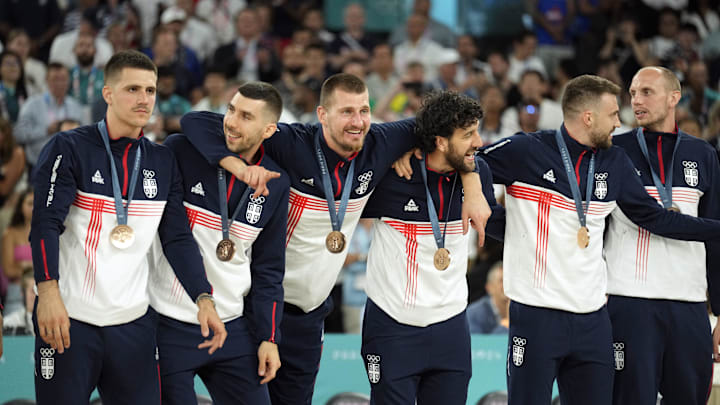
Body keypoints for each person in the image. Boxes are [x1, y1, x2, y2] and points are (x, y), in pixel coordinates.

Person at [180, 73, 492, 404]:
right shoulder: (292, 142)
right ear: (322, 115)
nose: (357, 121)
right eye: (346, 112)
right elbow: (196, 122)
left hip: (311, 314)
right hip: (258, 304)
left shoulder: (383, 142)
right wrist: (238, 168)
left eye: (364, 110)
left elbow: (447, 132)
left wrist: (471, 179)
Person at [476, 75, 720, 404]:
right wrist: (495, 219)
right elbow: (471, 162)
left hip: (592, 319)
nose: (620, 122)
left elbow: (654, 217)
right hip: (537, 314)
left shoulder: (613, 160)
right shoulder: (527, 149)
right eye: (613, 114)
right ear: (588, 117)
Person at [29, 50, 226, 404]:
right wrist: (47, 293)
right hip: (69, 318)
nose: (144, 99)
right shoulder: (69, 147)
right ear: (107, 93)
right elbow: (45, 224)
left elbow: (177, 238)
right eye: (132, 89)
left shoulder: (163, 159)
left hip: (133, 324)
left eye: (150, 90)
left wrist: (204, 297)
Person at [149, 81, 289, 404]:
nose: (232, 122)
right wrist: (236, 166)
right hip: (169, 324)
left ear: (269, 130)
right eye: (231, 110)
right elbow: (192, 120)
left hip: (233, 327)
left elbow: (269, 269)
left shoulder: (276, 184)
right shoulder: (182, 150)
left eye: (246, 117)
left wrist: (269, 337)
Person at [361, 90, 504, 404]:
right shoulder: (392, 174)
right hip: (391, 325)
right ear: (440, 141)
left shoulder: (477, 174)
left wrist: (473, 181)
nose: (478, 142)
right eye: (468, 134)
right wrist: (398, 148)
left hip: (451, 327)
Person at [606, 66, 720, 405]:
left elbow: (714, 238)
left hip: (689, 305)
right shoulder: (614, 150)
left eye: (647, 92)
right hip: (628, 301)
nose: (636, 101)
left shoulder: (703, 154)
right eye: (633, 93)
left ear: (674, 97)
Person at [2, 189, 33, 329]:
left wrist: (24, 265)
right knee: (11, 334)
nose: (34, 207)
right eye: (30, 203)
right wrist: (34, 267)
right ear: (21, 206)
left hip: (44, 290)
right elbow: (8, 269)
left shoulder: (49, 232)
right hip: (16, 292)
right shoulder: (10, 233)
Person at [467, 261, 509, 334]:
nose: (506, 285)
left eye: (509, 281)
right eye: (501, 281)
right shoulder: (473, 314)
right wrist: (505, 325)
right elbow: (476, 344)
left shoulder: (520, 310)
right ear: (489, 287)